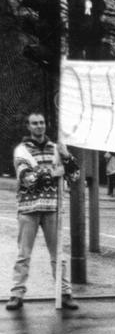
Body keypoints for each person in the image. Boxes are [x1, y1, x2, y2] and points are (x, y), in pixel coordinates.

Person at [6, 112, 81, 311]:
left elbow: (74, 175)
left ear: (46, 125)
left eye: (41, 122)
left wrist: (66, 157)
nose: (39, 126)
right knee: (24, 254)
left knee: (58, 255)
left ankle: (65, 293)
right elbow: (27, 177)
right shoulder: (21, 149)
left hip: (52, 208)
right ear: (28, 126)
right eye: (34, 123)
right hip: (28, 209)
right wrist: (53, 172)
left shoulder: (56, 149)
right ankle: (16, 294)